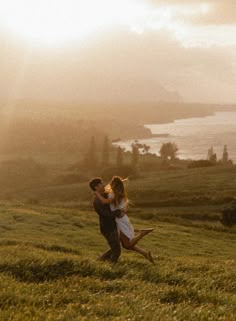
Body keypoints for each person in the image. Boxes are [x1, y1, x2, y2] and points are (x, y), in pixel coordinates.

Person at [94, 176, 155, 263]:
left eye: (111, 182)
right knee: (124, 244)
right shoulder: (118, 194)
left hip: (120, 221)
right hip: (121, 219)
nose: (108, 183)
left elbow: (104, 201)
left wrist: (97, 194)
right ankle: (145, 253)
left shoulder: (114, 194)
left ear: (113, 184)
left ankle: (142, 233)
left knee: (127, 244)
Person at [89, 177, 123, 264]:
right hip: (107, 227)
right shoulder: (97, 201)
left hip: (111, 225)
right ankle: (112, 267)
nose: (104, 184)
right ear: (96, 187)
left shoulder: (103, 195)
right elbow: (106, 214)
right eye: (101, 183)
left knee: (114, 248)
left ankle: (99, 261)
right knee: (117, 250)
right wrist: (118, 212)